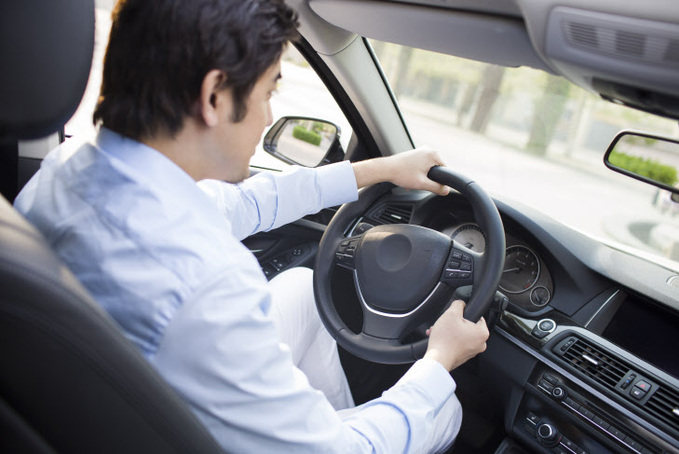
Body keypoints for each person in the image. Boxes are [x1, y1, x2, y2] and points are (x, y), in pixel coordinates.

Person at [14, 0, 489, 452]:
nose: (267, 118)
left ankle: (317, 418)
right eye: (267, 93)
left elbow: (246, 204)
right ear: (214, 96)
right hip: (175, 427)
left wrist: (379, 169)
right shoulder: (206, 278)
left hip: (118, 401)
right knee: (443, 411)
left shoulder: (68, 168)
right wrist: (439, 360)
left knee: (304, 289)